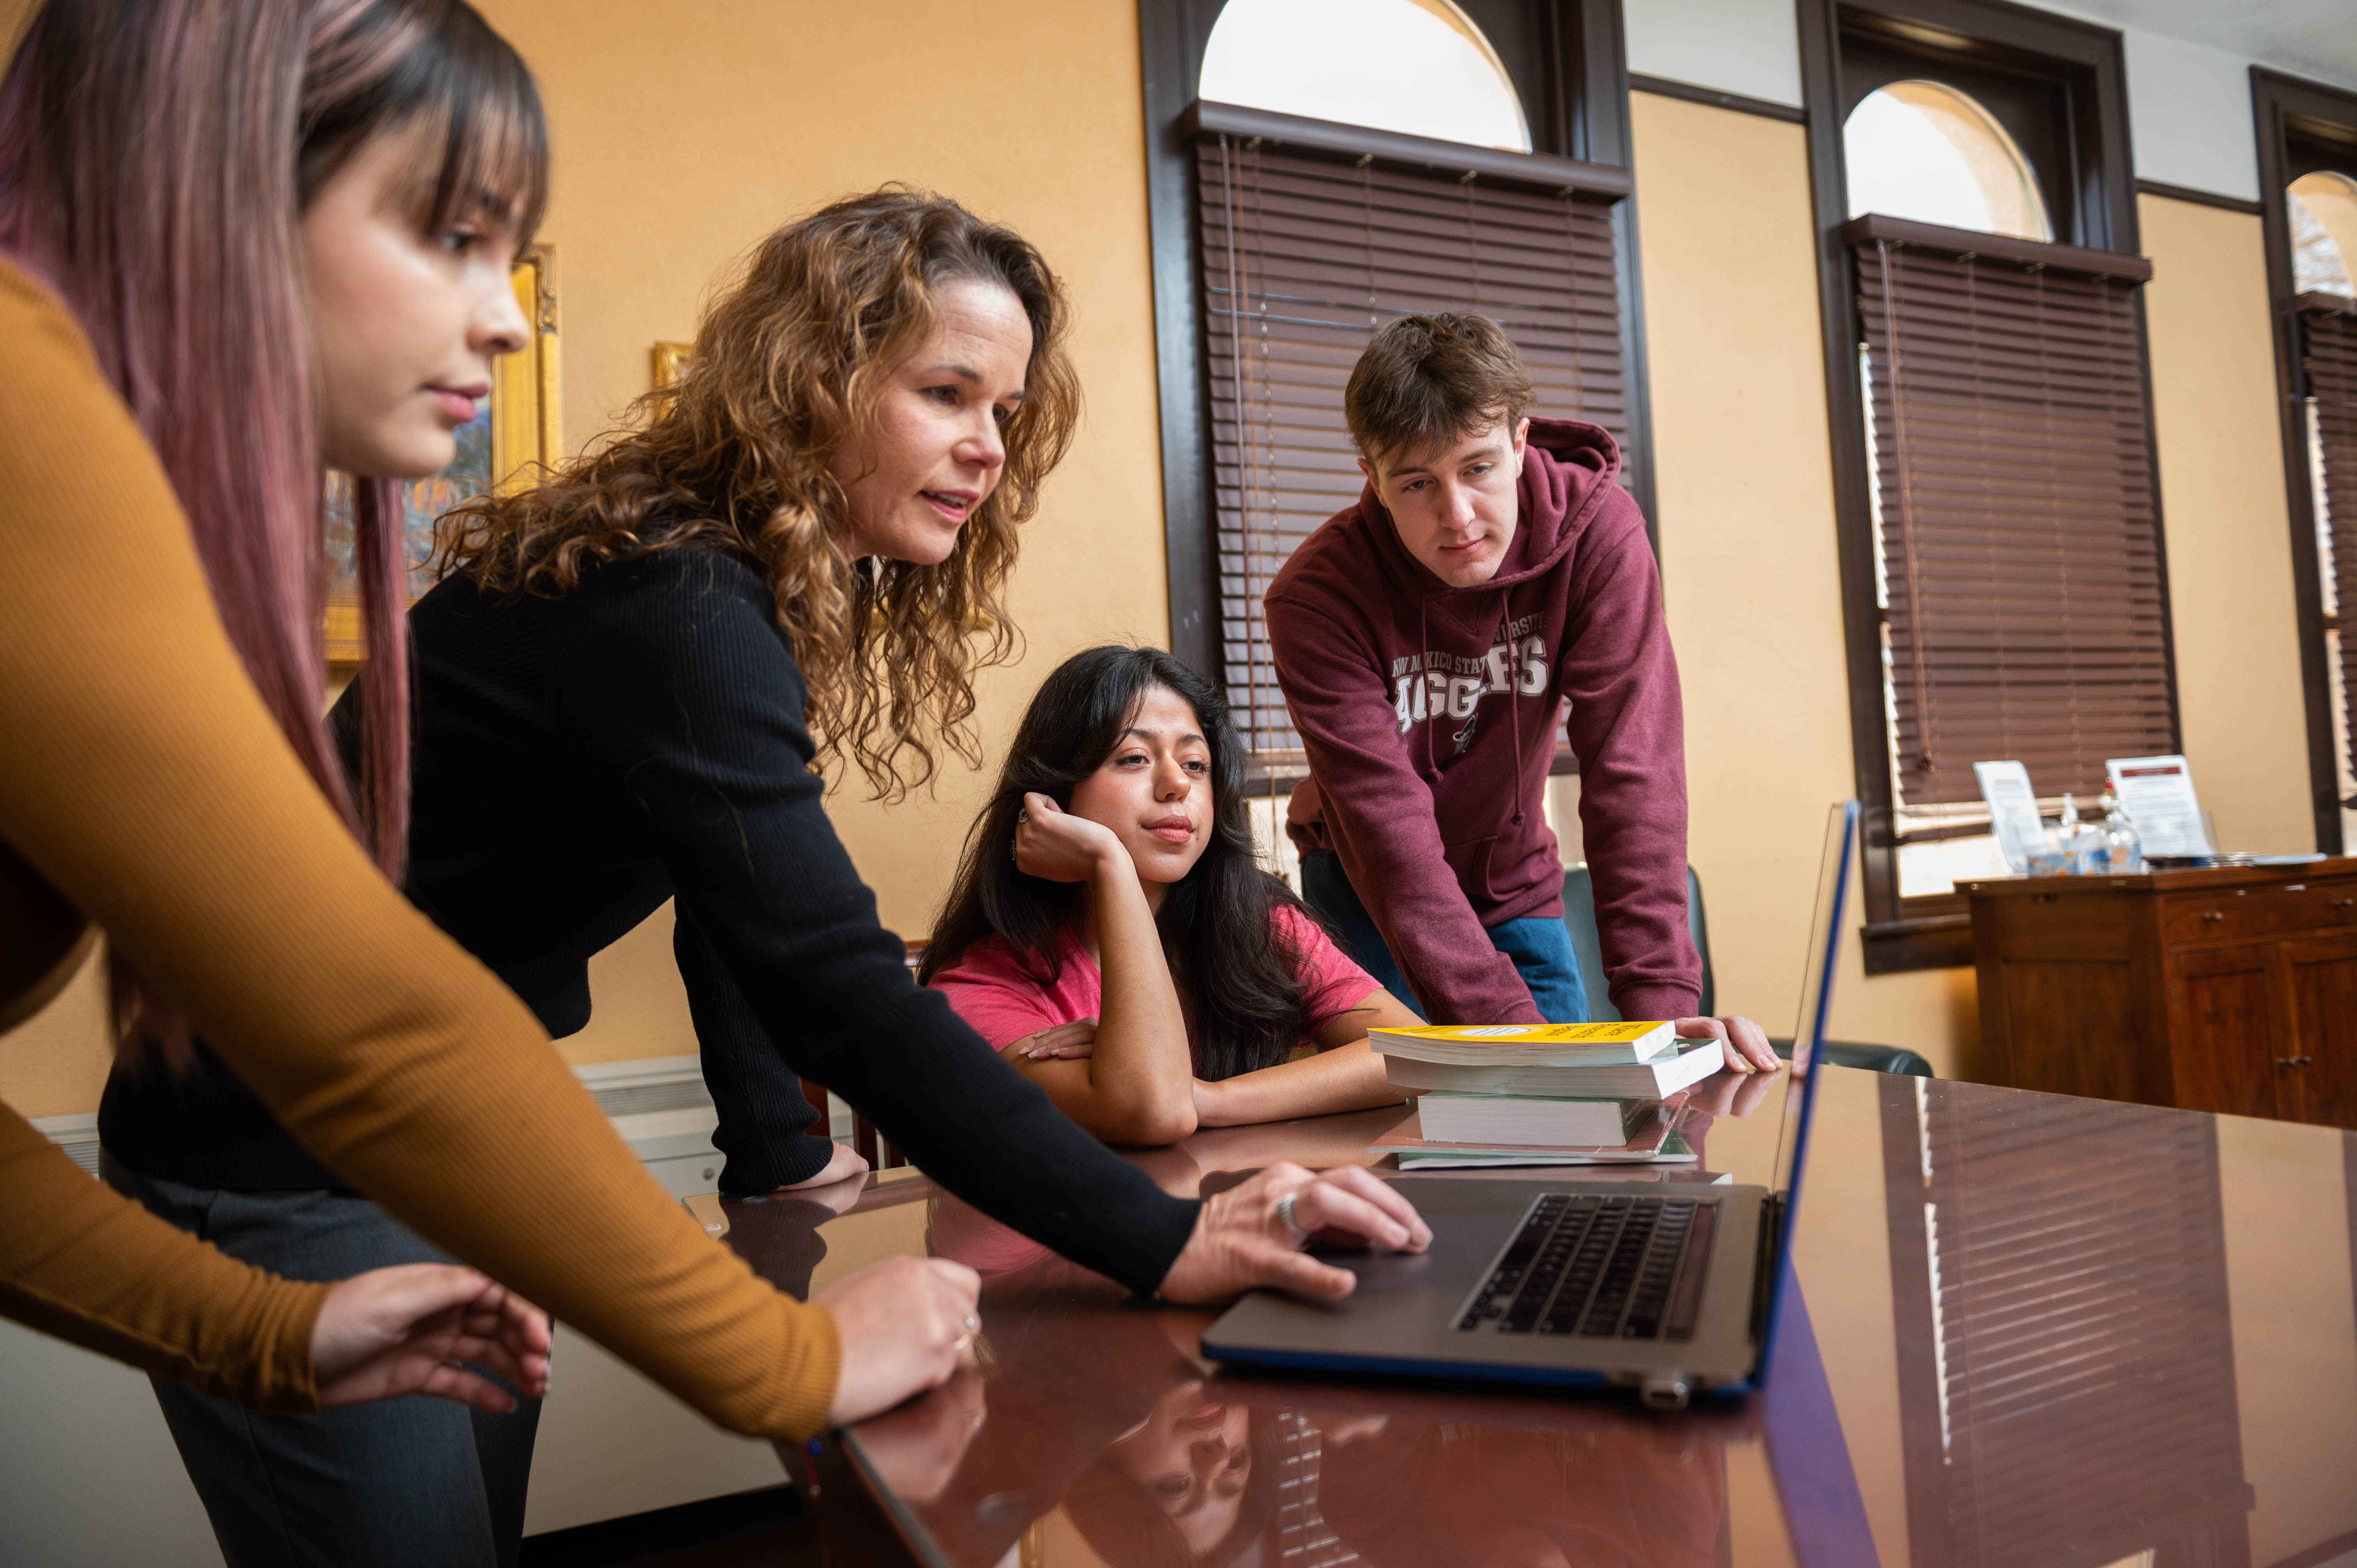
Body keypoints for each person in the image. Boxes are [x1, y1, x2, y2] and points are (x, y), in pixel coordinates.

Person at [97, 176, 1433, 1547]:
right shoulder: (672, 594)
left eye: (1005, 412)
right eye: (946, 394)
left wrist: (774, 1153)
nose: (987, 448)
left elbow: (731, 902)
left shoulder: (712, 583)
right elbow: (824, 970)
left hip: (428, 1120)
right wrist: (1159, 1242)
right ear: (814, 380)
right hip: (271, 1146)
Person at [2, 4, 986, 1565]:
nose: (508, 314)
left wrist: (261, 1333)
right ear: (205, 181)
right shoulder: (23, 404)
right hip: (280, 1162)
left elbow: (730, 912)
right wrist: (785, 1354)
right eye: (448, 235)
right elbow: (375, 1025)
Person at [1263, 313, 1779, 1070]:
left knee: (1591, 1133)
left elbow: (1634, 771)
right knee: (1399, 1140)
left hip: (1514, 879)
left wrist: (1664, 1017)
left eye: (1478, 467)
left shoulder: (1600, 535)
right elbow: (1389, 834)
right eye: (1416, 482)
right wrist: (1512, 1043)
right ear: (1371, 478)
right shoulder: (1317, 596)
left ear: (1521, 442)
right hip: (1366, 893)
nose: (1458, 515)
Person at [920, 645, 1423, 1145]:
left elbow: (1422, 1060)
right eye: (1134, 758)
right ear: (1054, 793)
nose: (1176, 784)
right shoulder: (980, 986)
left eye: (1197, 764)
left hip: (1245, 1213)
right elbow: (1153, 1114)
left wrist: (1208, 1098)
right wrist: (1109, 864)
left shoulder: (1259, 925)